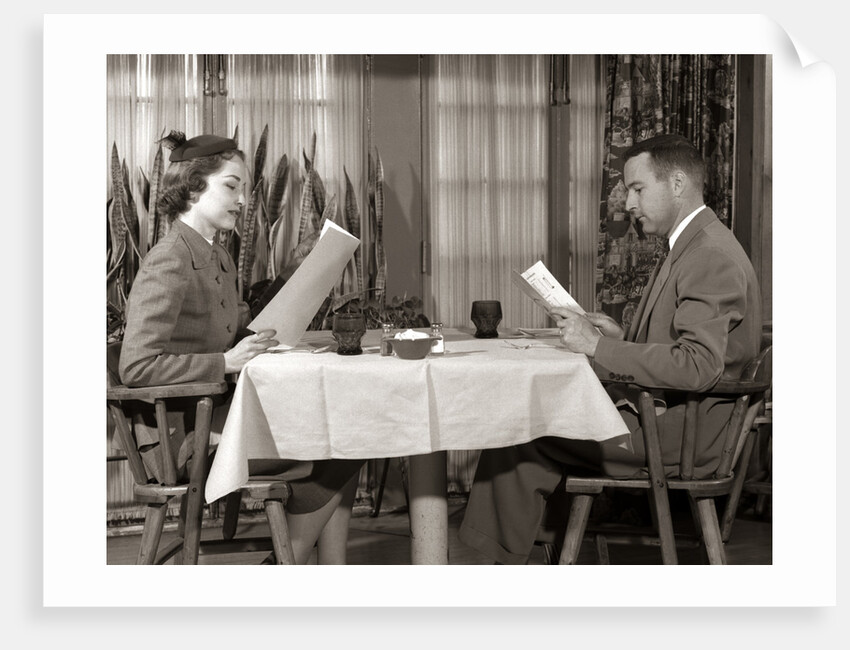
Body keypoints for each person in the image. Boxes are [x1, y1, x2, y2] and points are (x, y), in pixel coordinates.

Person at [458, 133, 763, 564]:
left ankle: (498, 568)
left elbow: (698, 366)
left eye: (638, 189)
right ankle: (533, 555)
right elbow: (686, 348)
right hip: (668, 421)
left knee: (520, 433)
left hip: (680, 438)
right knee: (532, 426)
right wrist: (620, 340)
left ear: (677, 184)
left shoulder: (708, 254)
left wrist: (598, 346)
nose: (629, 204)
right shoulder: (695, 243)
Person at [118, 131, 363, 564]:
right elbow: (136, 367)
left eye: (244, 189)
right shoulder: (169, 259)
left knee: (348, 436)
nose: (243, 200)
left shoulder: (218, 255)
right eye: (231, 186)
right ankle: (285, 564)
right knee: (343, 444)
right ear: (194, 188)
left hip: (217, 420)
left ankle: (318, 570)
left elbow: (225, 330)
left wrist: (286, 291)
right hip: (182, 440)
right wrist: (225, 362)